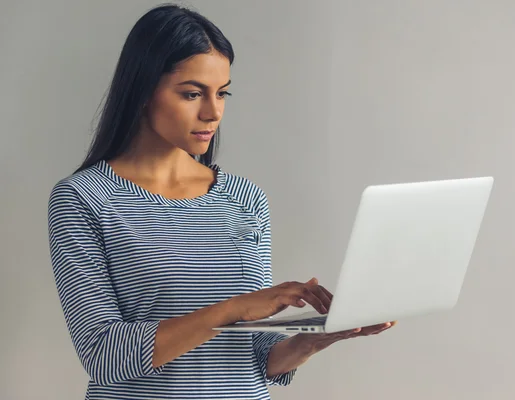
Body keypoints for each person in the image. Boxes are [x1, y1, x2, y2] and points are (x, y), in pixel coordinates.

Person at [47, 4, 395, 399]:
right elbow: (103, 355)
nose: (213, 112)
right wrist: (232, 310)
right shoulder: (84, 199)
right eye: (193, 93)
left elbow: (257, 356)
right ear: (143, 91)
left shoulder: (244, 199)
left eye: (222, 93)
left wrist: (317, 337)